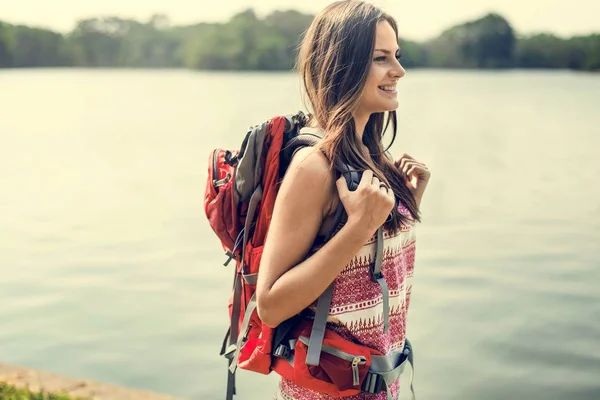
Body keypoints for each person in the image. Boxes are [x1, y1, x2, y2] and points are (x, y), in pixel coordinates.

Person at [255, 1, 431, 398]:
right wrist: (361, 227)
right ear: (343, 65)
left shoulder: (375, 158)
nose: (398, 71)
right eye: (381, 59)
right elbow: (270, 305)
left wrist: (406, 206)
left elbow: (372, 272)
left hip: (383, 383)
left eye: (397, 56)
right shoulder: (313, 167)